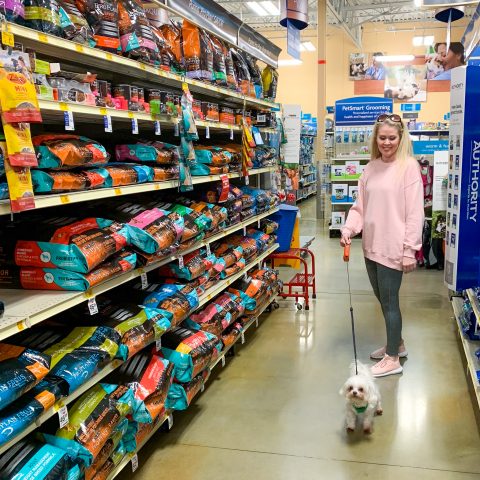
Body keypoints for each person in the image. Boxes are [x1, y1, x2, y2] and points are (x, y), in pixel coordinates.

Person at [340, 113, 424, 378]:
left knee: (390, 303)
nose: (387, 143)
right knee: (383, 300)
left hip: (393, 248)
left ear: (401, 138)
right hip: (371, 246)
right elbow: (360, 207)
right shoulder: (370, 168)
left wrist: (410, 249)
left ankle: (392, 359)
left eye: (392, 138)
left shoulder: (408, 167)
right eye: (382, 137)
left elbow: (415, 212)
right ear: (375, 139)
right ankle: (396, 344)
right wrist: (348, 228)